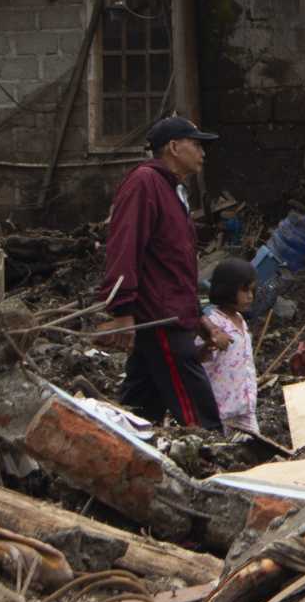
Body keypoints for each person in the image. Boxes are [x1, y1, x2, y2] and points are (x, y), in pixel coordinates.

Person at [99, 116, 226, 429]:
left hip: (171, 312)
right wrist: (122, 310)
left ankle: (120, 460)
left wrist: (197, 317)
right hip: (159, 317)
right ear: (173, 147)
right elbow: (125, 246)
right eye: (196, 145)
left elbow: (174, 265)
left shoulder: (172, 191)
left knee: (139, 410)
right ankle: (219, 464)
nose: (203, 153)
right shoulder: (144, 183)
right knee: (198, 412)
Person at [199, 257, 261, 436]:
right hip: (223, 409)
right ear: (227, 290)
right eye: (244, 290)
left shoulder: (241, 321)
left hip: (246, 405)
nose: (250, 296)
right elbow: (199, 359)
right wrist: (208, 346)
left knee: (254, 449)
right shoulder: (214, 324)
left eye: (251, 290)